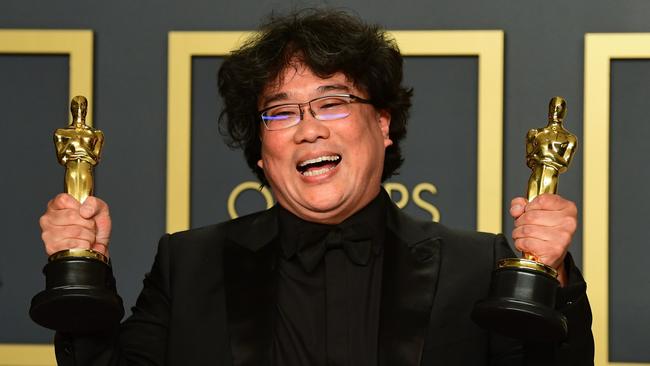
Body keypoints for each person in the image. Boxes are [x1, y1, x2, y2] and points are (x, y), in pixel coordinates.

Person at [39, 9, 593, 366]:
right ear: (260, 149)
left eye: (333, 101)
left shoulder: (478, 265)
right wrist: (82, 269)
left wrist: (556, 278)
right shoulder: (188, 264)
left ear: (383, 124)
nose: (308, 128)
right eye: (279, 113)